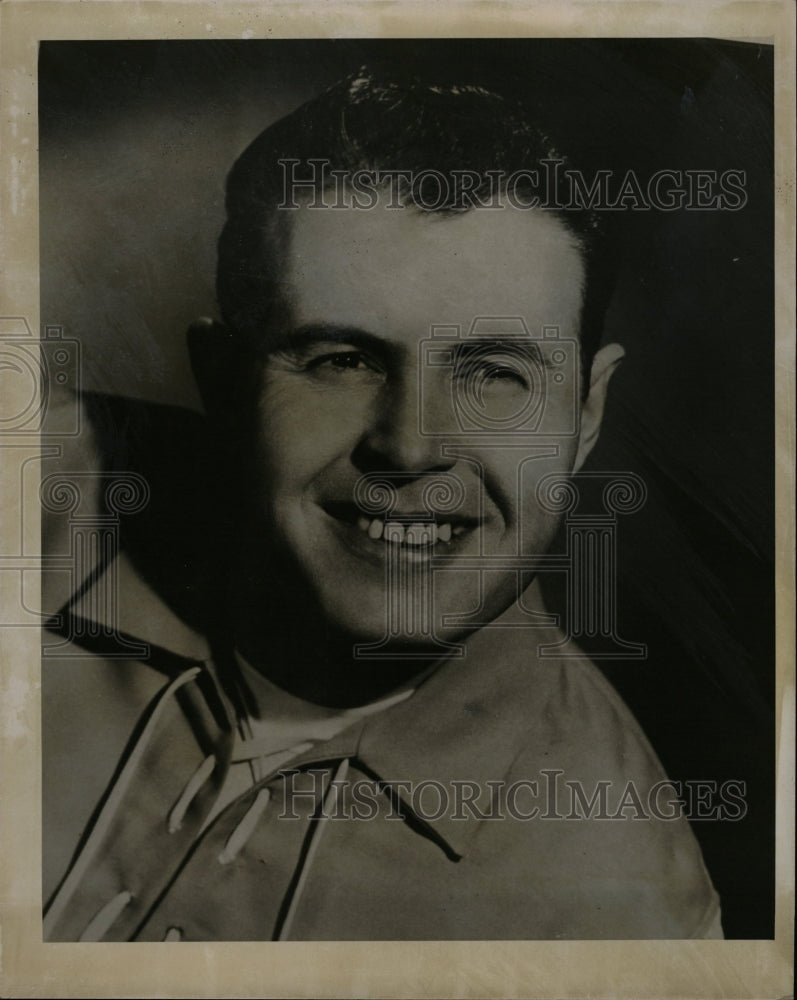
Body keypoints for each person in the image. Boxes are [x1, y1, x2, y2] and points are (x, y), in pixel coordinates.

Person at [42, 69, 722, 941]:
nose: (409, 446)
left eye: (492, 374)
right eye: (341, 360)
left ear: (585, 415)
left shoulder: (623, 905)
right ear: (222, 380)